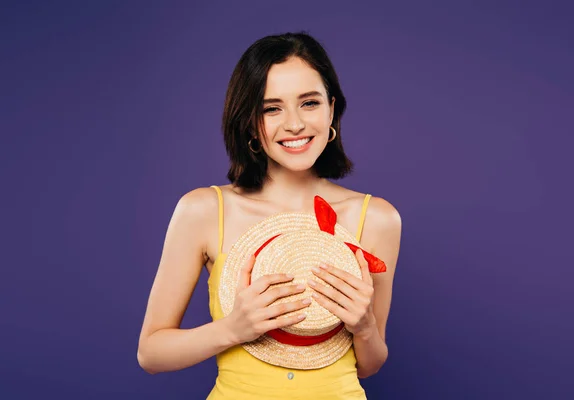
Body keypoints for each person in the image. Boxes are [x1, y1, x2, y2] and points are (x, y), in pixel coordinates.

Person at [137, 31, 402, 399]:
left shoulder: (376, 218)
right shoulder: (204, 211)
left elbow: (369, 365)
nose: (294, 124)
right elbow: (151, 353)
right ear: (248, 121)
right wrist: (234, 329)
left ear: (331, 110)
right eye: (271, 108)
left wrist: (364, 327)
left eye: (309, 103)